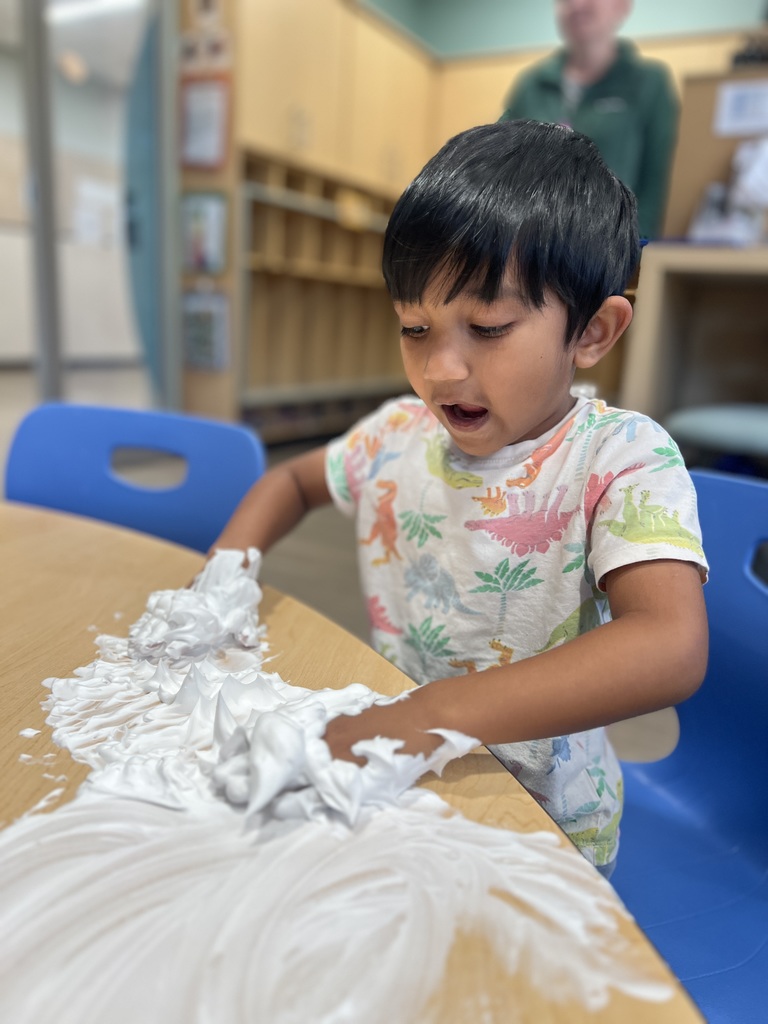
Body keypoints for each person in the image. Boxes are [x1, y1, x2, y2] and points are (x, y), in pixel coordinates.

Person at [212, 120, 708, 875]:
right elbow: (290, 480)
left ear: (593, 332)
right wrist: (225, 572)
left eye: (487, 327)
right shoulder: (395, 437)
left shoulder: (621, 459)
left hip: (541, 826)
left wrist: (428, 714)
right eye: (415, 328)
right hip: (408, 782)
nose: (442, 368)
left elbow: (670, 646)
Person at [499, 0, 679, 240]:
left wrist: (631, 251)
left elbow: (658, 181)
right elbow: (500, 171)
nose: (576, 4)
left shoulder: (648, 83)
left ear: (621, 5)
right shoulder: (531, 85)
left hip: (612, 252)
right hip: (529, 251)